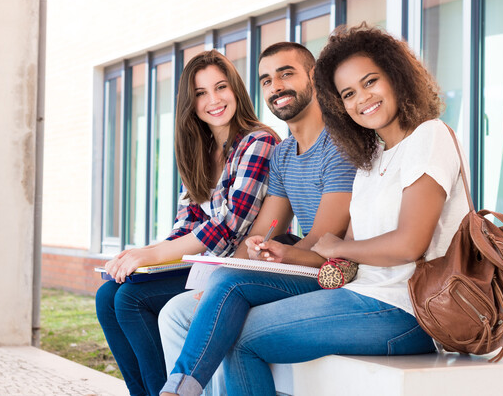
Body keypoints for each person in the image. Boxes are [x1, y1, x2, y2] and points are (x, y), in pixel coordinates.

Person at [160, 25, 470, 396]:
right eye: (349, 93)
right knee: (234, 304)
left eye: (371, 82)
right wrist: (287, 252)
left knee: (241, 334)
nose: (362, 99)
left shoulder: (429, 135)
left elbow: (408, 244)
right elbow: (346, 247)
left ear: (396, 76)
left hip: (408, 309)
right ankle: (177, 388)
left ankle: (177, 391)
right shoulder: (372, 157)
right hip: (361, 291)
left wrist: (337, 247)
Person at [158, 42, 356, 395]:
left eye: (286, 73)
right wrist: (229, 272)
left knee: (229, 296)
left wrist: (272, 255)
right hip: (297, 265)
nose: (276, 85)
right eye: (266, 80)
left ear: (314, 76)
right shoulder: (282, 154)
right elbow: (265, 231)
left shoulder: (339, 144)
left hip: (329, 271)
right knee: (176, 311)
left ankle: (179, 389)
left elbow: (324, 241)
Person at [95, 50, 279, 396]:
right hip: (201, 264)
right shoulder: (199, 150)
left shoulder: (258, 141)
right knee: (108, 295)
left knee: (130, 300)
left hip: (234, 264)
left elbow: (228, 228)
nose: (214, 100)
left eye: (221, 87)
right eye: (201, 93)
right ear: (189, 102)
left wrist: (149, 256)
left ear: (236, 89)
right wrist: (143, 256)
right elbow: (187, 223)